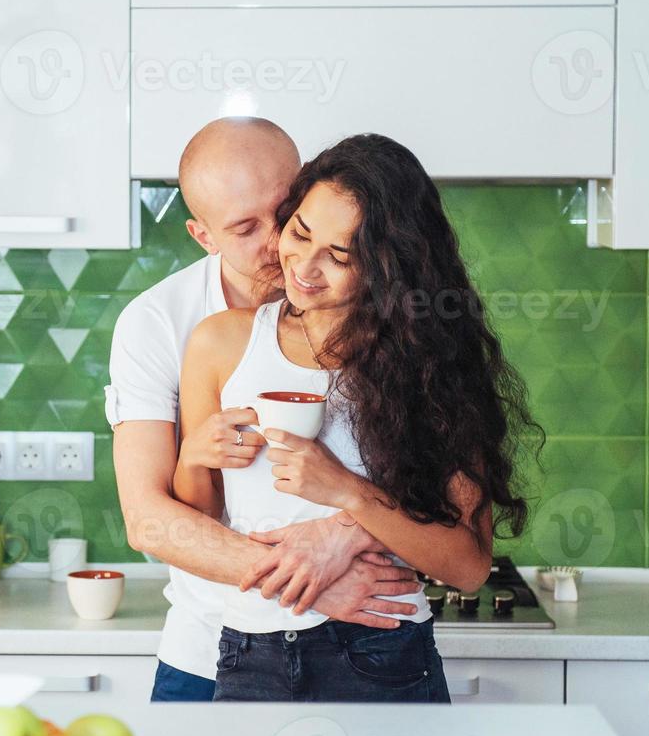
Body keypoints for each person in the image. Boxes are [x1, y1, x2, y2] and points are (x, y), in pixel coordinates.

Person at [172, 132, 539, 703]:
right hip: (251, 652)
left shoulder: (431, 364)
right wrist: (193, 454)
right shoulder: (219, 344)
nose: (305, 267)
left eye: (339, 256)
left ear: (390, 266)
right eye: (299, 232)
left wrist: (350, 497)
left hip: (384, 651)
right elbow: (202, 517)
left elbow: (468, 568)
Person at [107, 118, 423, 703]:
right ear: (203, 236)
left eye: (285, 212)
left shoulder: (382, 308)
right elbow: (150, 519)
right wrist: (308, 585)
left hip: (365, 641)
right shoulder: (158, 323)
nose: (278, 242)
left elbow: (426, 479)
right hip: (209, 648)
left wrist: (339, 535)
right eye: (244, 228)